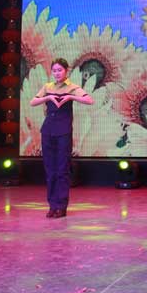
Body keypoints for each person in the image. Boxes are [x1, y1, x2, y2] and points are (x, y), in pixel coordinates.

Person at [30, 58, 93, 218]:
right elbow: (33, 102)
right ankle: (52, 205)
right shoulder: (48, 87)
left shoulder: (72, 87)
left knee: (62, 170)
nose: (57, 73)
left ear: (66, 71)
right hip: (48, 130)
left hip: (63, 131)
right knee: (50, 170)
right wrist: (47, 98)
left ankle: (61, 206)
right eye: (54, 71)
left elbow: (89, 100)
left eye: (60, 70)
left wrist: (71, 97)